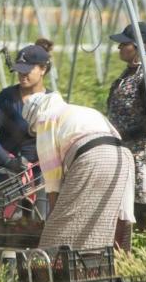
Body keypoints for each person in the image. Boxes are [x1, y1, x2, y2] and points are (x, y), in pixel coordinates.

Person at [22, 93, 135, 250]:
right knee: (112, 216)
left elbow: (52, 177)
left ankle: (54, 269)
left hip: (93, 157)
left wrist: (53, 219)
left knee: (60, 229)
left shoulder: (45, 118)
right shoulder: (83, 110)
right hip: (123, 157)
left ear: (34, 119)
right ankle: (117, 262)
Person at [107, 22, 146, 250]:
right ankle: (126, 251)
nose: (119, 48)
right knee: (124, 206)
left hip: (139, 154)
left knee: (141, 207)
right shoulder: (129, 74)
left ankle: (144, 250)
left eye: (124, 44)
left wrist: (123, 134)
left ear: (138, 47)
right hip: (124, 151)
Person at [0, 39, 53, 219]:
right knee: (6, 220)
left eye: (28, 71)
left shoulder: (51, 102)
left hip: (40, 173)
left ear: (42, 69)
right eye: (19, 71)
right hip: (8, 171)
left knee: (39, 222)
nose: (22, 76)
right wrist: (7, 160)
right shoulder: (7, 98)